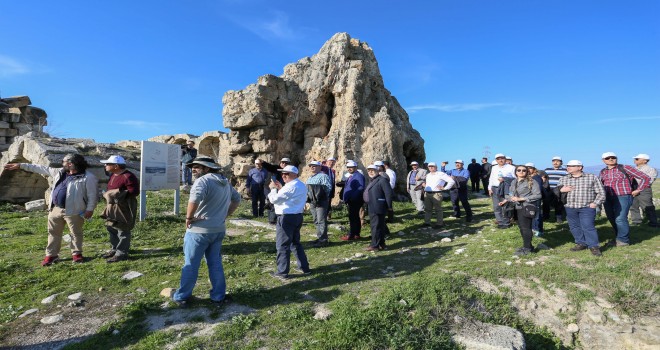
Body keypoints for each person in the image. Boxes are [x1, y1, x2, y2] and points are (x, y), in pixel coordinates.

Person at [4, 154, 98, 266]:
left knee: (75, 233)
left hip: (75, 210)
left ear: (70, 163)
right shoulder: (60, 172)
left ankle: (76, 254)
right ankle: (51, 255)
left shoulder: (88, 177)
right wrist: (21, 165)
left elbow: (92, 195)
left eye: (63, 161)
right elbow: (40, 168)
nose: (62, 163)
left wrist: (90, 209)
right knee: (53, 232)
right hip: (55, 209)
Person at [172, 157, 240, 306]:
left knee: (191, 264)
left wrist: (188, 217)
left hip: (199, 231)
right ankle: (218, 296)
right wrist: (225, 215)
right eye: (193, 167)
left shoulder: (203, 181)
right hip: (218, 229)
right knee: (215, 263)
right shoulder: (225, 182)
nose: (193, 169)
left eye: (197, 167)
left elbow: (194, 200)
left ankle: (182, 296)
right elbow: (237, 198)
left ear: (207, 168)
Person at [267, 165, 311, 280]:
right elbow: (290, 196)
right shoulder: (300, 184)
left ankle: (282, 272)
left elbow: (274, 199)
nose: (283, 175)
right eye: (282, 173)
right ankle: (304, 267)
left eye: (286, 173)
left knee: (282, 245)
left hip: (286, 217)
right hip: (297, 216)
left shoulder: (290, 186)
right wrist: (280, 188)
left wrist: (273, 189)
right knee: (295, 243)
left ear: (294, 174)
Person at [599, 152, 651, 247]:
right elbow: (600, 184)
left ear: (616, 158)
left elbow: (645, 178)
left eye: (613, 157)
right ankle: (619, 237)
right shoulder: (603, 171)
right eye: (607, 158)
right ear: (603, 160)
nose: (611, 159)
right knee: (611, 218)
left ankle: (623, 241)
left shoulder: (625, 167)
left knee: (620, 218)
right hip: (607, 197)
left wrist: (638, 189)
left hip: (623, 196)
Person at [558, 160, 606, 256]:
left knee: (588, 226)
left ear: (580, 167)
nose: (568, 167)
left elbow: (601, 192)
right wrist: (561, 190)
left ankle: (594, 246)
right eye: (567, 166)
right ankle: (581, 243)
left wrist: (595, 203)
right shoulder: (563, 179)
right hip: (570, 207)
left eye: (571, 166)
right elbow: (557, 193)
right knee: (574, 226)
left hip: (586, 207)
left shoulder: (591, 177)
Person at [99, 155, 139, 263]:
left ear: (116, 166)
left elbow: (134, 191)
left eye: (108, 164)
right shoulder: (113, 175)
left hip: (124, 206)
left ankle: (121, 253)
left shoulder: (128, 176)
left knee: (123, 229)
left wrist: (117, 192)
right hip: (112, 205)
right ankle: (115, 248)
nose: (105, 165)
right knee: (111, 226)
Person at [501, 165, 541, 256]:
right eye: (519, 170)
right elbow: (509, 194)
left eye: (524, 170)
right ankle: (528, 246)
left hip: (526, 207)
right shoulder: (514, 181)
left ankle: (527, 249)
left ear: (527, 172)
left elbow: (538, 195)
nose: (521, 172)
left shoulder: (532, 182)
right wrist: (507, 199)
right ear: (515, 172)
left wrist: (521, 199)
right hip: (516, 208)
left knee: (526, 228)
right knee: (521, 227)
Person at [364, 164, 393, 251]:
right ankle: (381, 244)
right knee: (379, 226)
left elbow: (388, 194)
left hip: (378, 206)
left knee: (375, 226)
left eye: (372, 170)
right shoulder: (373, 180)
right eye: (369, 171)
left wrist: (389, 207)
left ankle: (374, 245)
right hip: (373, 206)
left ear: (377, 171)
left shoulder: (382, 180)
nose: (370, 172)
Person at [420, 162, 455, 228]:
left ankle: (439, 223)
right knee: (427, 209)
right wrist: (425, 185)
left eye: (432, 166)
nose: (431, 167)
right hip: (427, 193)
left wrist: (445, 188)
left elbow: (451, 181)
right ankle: (427, 222)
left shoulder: (441, 174)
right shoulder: (428, 175)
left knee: (438, 209)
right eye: (429, 166)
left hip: (437, 193)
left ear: (436, 167)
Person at [306, 160, 332, 247]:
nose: (312, 167)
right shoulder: (310, 177)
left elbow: (328, 188)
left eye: (315, 166)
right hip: (312, 202)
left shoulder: (323, 176)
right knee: (316, 220)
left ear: (320, 167)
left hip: (321, 202)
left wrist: (322, 198)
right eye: (311, 166)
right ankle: (320, 237)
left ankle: (324, 240)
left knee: (321, 220)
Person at [488, 154, 516, 228]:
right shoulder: (494, 168)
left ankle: (506, 222)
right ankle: (500, 222)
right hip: (495, 188)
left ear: (505, 159)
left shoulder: (511, 168)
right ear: (496, 160)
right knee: (496, 205)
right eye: (498, 159)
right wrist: (489, 188)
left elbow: (515, 179)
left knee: (506, 205)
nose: (500, 160)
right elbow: (491, 178)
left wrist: (505, 179)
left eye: (502, 158)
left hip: (506, 189)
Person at [339, 160, 365, 241]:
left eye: (351, 167)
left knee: (353, 218)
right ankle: (356, 234)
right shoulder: (352, 175)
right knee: (355, 217)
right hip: (352, 200)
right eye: (348, 167)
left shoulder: (358, 176)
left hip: (355, 200)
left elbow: (360, 188)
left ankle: (352, 235)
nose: (349, 169)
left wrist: (352, 198)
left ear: (355, 167)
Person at [630, 154, 658, 227]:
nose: (635, 160)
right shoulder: (634, 169)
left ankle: (653, 223)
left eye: (637, 159)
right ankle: (636, 221)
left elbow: (649, 180)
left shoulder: (651, 169)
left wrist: (639, 189)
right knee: (633, 206)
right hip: (633, 188)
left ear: (645, 160)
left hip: (644, 189)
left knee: (647, 206)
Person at [544, 156, 568, 222]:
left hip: (559, 189)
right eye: (554, 161)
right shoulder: (547, 170)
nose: (555, 162)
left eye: (557, 161)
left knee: (558, 203)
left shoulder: (565, 171)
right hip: (548, 189)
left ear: (561, 162)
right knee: (546, 203)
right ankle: (546, 216)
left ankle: (558, 218)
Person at [525, 163, 545, 237]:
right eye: (527, 168)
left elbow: (538, 189)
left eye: (530, 168)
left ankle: (538, 230)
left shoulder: (537, 177)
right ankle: (534, 229)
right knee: (531, 213)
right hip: (529, 198)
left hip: (535, 198)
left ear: (534, 169)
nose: (528, 169)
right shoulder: (528, 177)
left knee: (536, 214)